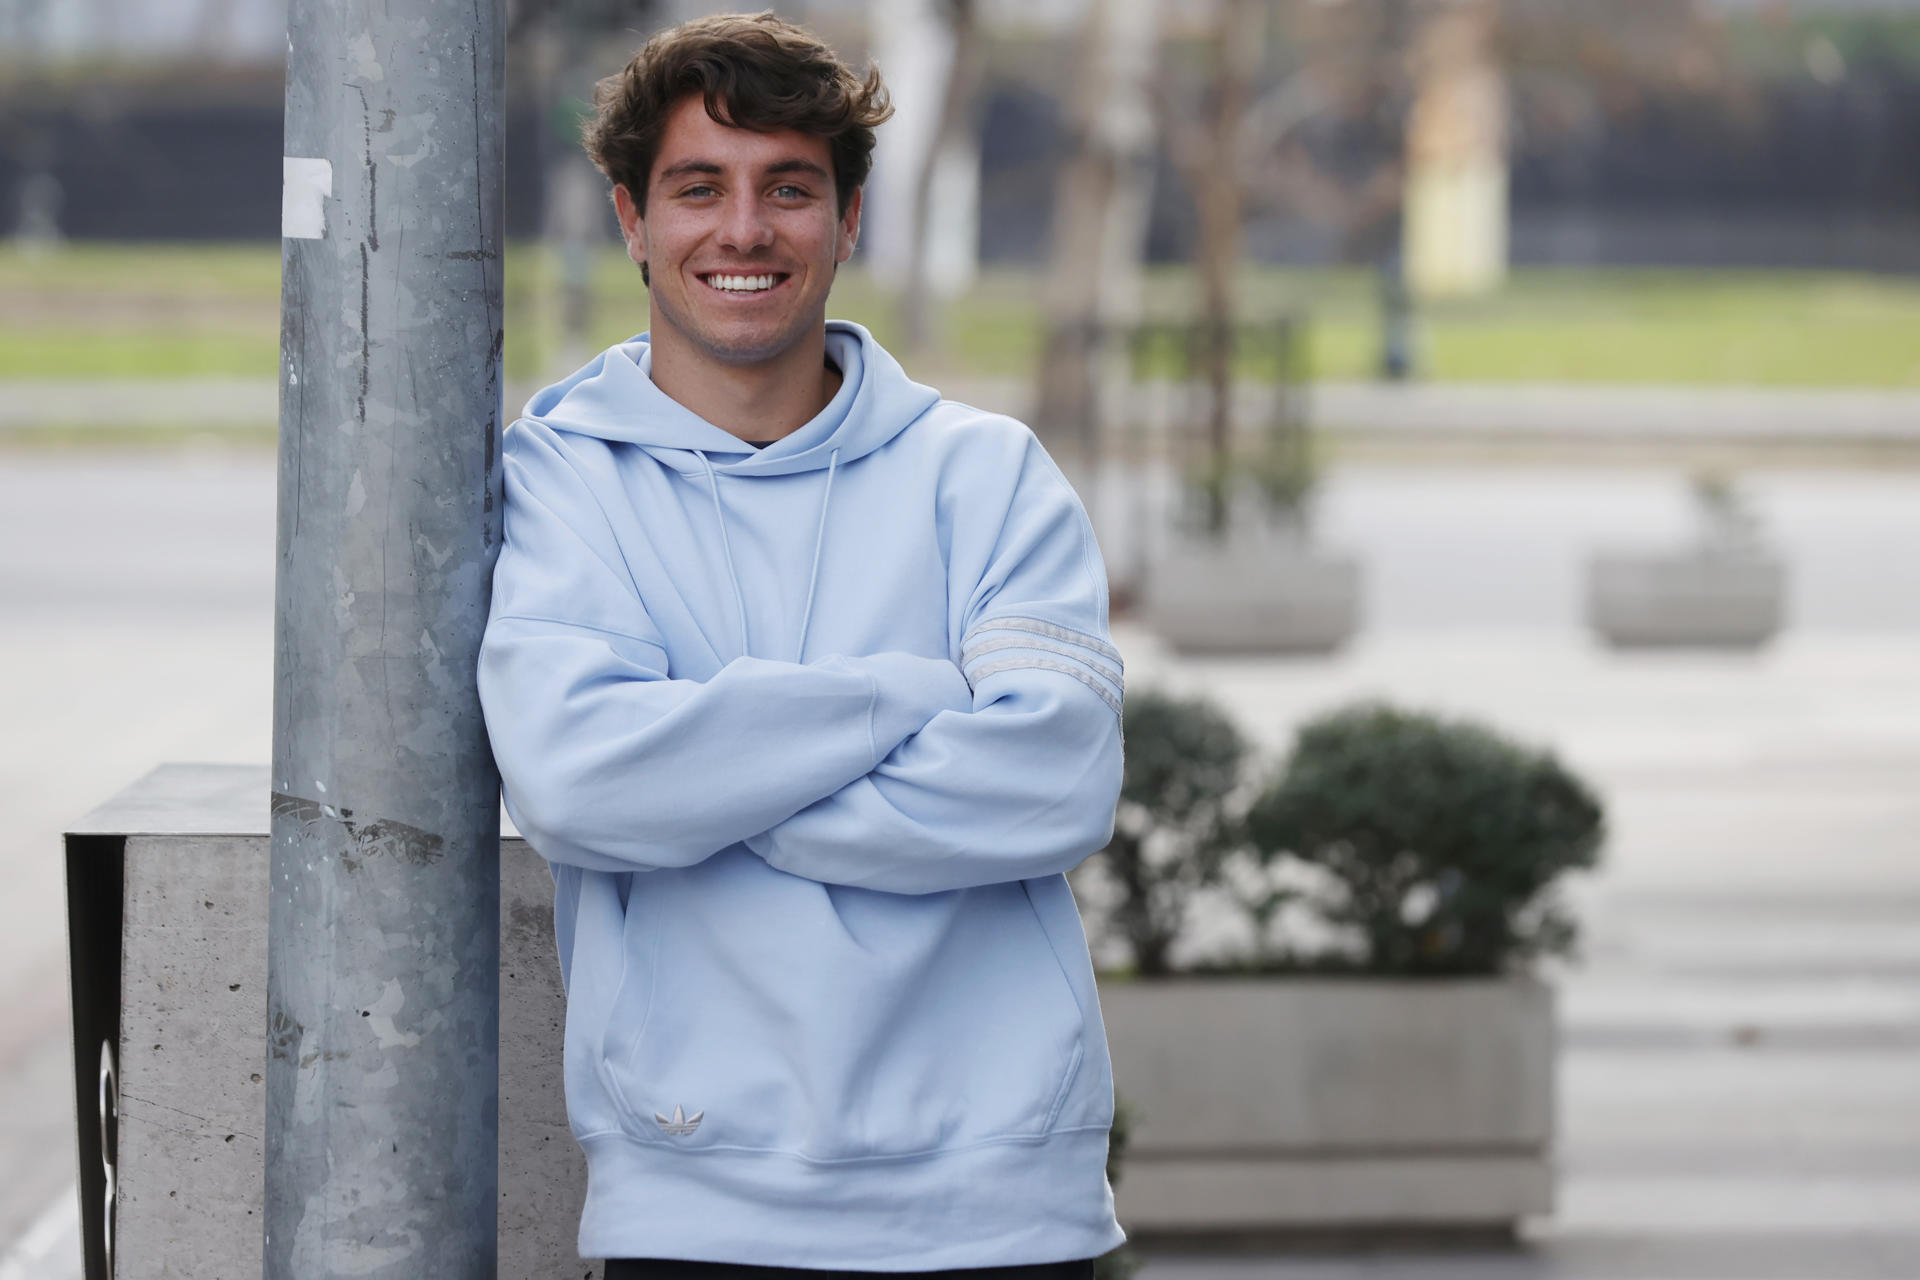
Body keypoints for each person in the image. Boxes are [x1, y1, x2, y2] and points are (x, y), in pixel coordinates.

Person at [477, 12, 1125, 1277]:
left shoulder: (987, 475)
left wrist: (710, 779)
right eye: (697, 188)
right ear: (630, 216)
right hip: (695, 1194)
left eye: (789, 188)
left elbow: (1056, 778)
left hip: (1000, 1197)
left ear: (849, 220)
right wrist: (910, 691)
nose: (743, 230)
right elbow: (577, 780)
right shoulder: (562, 481)